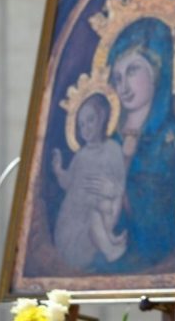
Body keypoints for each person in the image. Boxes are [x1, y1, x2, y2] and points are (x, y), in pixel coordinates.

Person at [104, 17, 175, 271]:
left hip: (154, 259)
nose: (123, 86)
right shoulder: (109, 140)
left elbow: (168, 219)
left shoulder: (173, 141)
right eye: (117, 77)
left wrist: (125, 190)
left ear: (156, 71)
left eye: (132, 71)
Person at [52, 93, 127, 269]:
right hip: (74, 224)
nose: (85, 128)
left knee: (102, 208)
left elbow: (121, 186)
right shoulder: (81, 156)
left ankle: (109, 237)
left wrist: (113, 190)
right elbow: (68, 182)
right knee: (94, 214)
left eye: (90, 120)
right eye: (81, 125)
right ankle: (110, 250)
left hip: (104, 214)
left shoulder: (114, 150)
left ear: (102, 117)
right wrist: (58, 170)